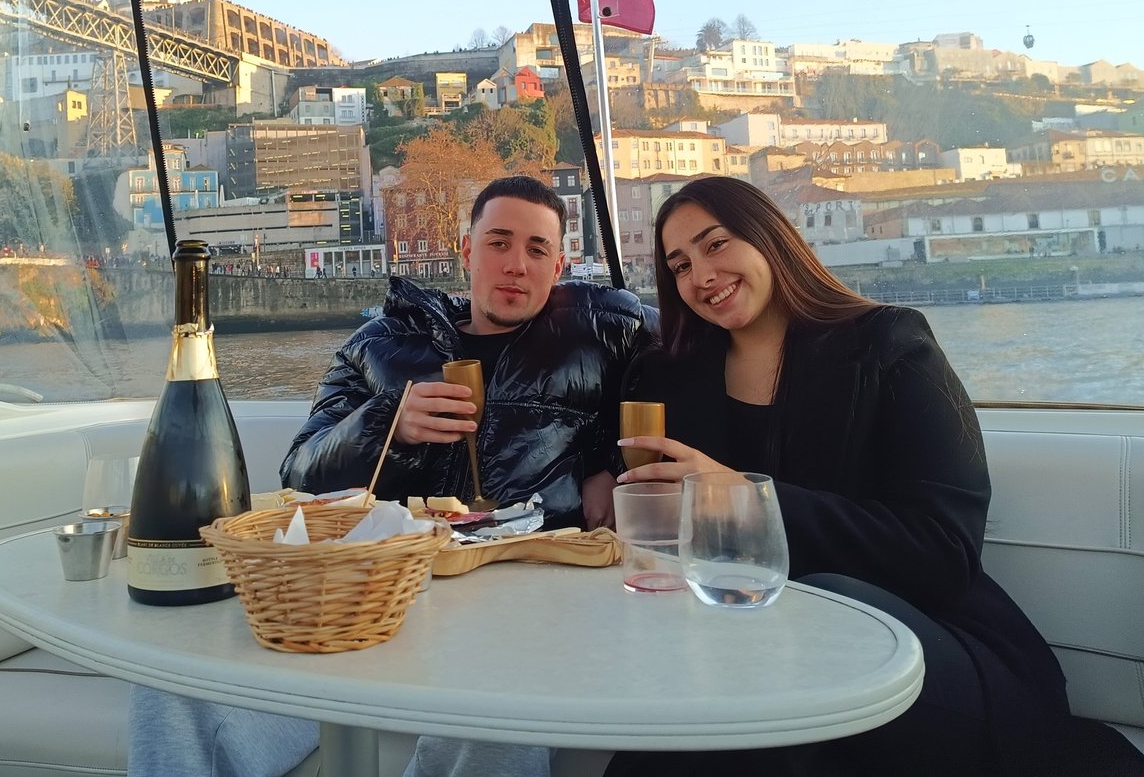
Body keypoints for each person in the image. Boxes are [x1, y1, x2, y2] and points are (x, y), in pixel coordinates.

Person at [609, 176, 1141, 777]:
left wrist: (744, 498)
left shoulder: (889, 346)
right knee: (701, 718)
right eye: (678, 265)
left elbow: (942, 554)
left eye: (716, 244)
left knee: (794, 639)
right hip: (746, 650)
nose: (700, 275)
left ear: (770, 239)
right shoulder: (674, 378)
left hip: (932, 649)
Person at [131, 175, 651, 777]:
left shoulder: (602, 328)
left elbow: (678, 375)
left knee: (491, 708)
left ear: (559, 263)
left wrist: (606, 464)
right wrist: (388, 423)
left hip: (522, 604)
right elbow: (300, 467)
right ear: (466, 250)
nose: (516, 265)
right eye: (499, 243)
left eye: (537, 250)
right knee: (169, 688)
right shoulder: (378, 344)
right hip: (371, 603)